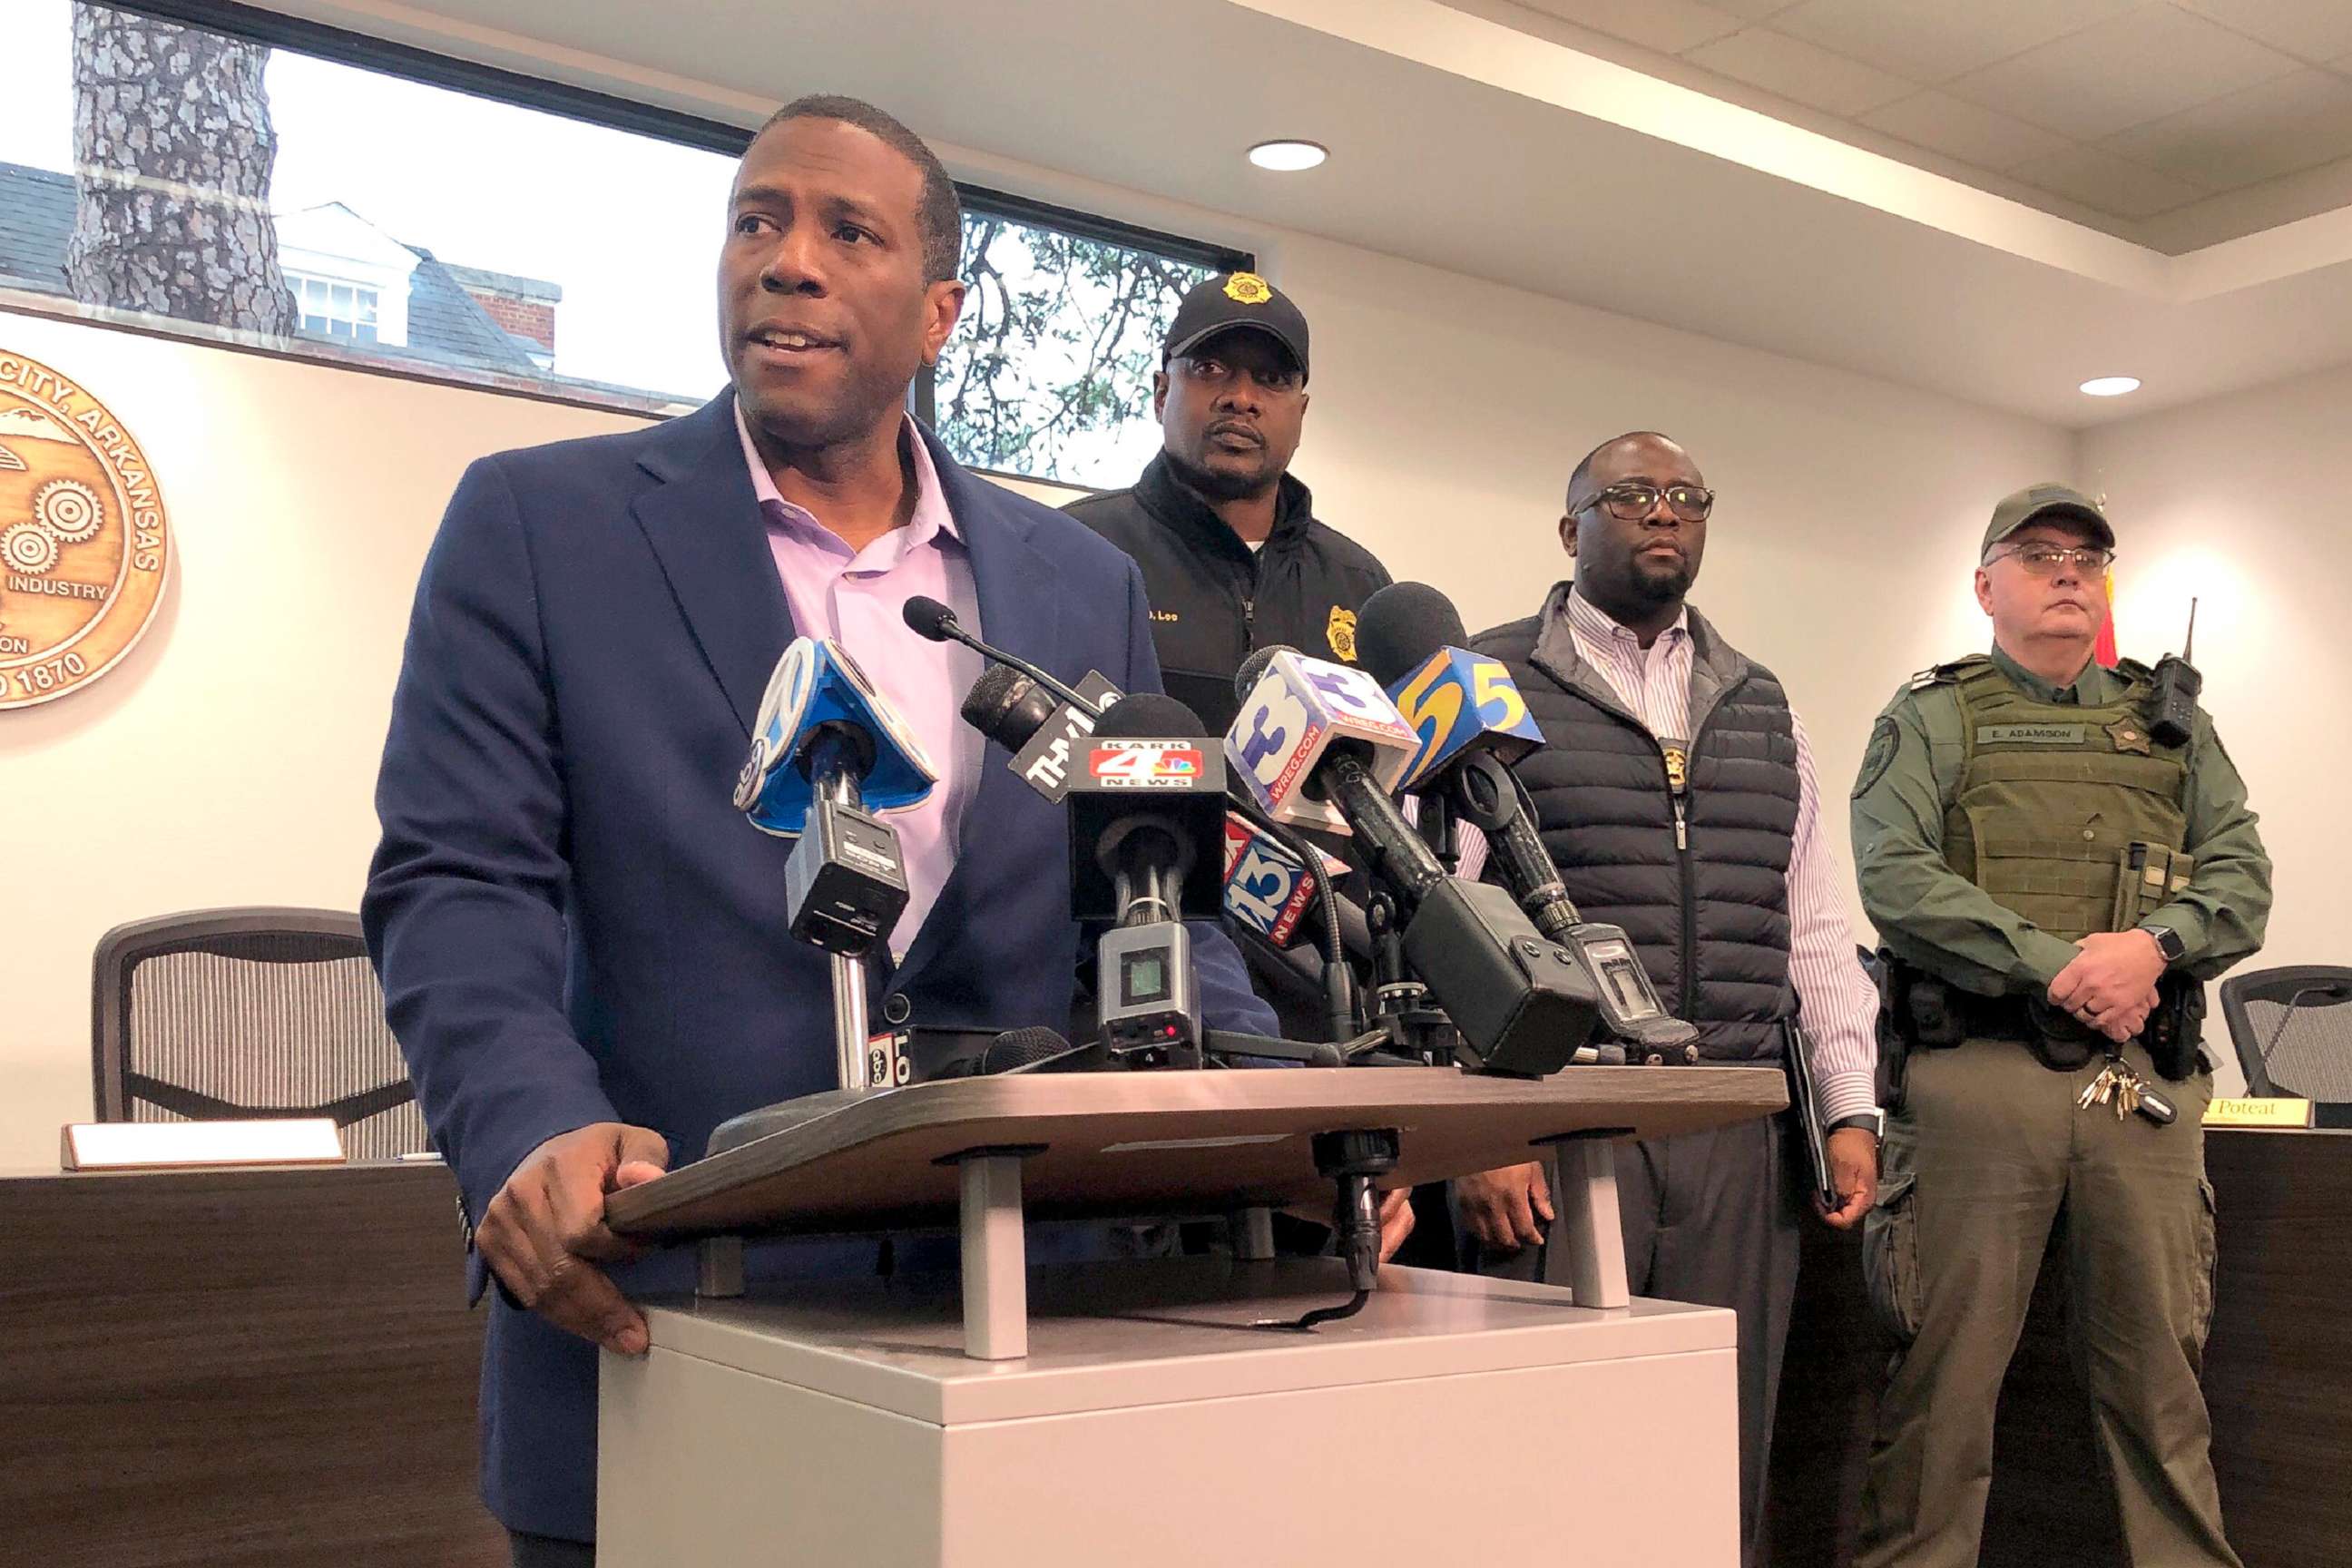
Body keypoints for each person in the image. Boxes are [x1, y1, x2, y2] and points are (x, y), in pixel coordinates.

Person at [361, 96, 1318, 1566]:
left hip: (1016, 1350)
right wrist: (520, 1125)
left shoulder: (1076, 588)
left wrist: (1274, 1125)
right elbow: (458, 878)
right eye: (756, 221)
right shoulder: (536, 527)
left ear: (937, 312)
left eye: (843, 231)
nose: (784, 261)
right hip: (661, 1330)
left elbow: (1161, 899)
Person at [1454, 431, 1884, 1566]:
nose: (1662, 514)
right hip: (1555, 1124)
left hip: (1734, 1121)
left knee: (1714, 1442)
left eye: (1685, 498)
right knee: (1539, 1452)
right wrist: (1473, 1133)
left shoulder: (1760, 702)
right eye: (1632, 495)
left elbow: (1817, 922)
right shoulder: (1484, 681)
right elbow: (1434, 913)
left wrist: (1847, 1106)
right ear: (1569, 528)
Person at [1850, 483, 2269, 1568]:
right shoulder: (1933, 715)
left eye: (2089, 555)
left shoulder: (2174, 724)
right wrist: (2065, 967)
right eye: (2038, 555)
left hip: (2142, 1084)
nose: (2070, 572)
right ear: (1986, 586)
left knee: (2163, 1390)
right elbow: (1897, 880)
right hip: (1979, 1079)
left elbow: (2242, 877)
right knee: (1944, 1395)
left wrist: (2154, 949)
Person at [1063, 270, 1391, 738]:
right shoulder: (1075, 550)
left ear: (1301, 414)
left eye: (1272, 379)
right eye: (1210, 369)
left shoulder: (1361, 586)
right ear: (1161, 394)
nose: (1241, 399)